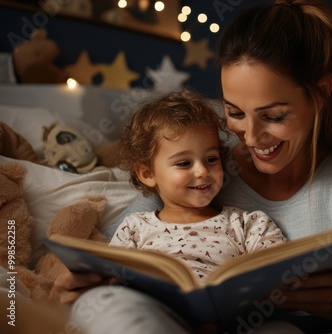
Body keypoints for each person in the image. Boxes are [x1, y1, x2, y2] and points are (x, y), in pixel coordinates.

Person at [52, 0, 332, 333]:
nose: (250, 136)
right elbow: (132, 243)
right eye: (234, 113)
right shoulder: (211, 162)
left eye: (274, 116)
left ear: (322, 93)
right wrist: (84, 288)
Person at [109, 88, 287, 284]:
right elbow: (111, 282)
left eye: (211, 159)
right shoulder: (134, 228)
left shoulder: (247, 225)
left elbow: (279, 273)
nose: (202, 171)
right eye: (184, 163)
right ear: (147, 174)